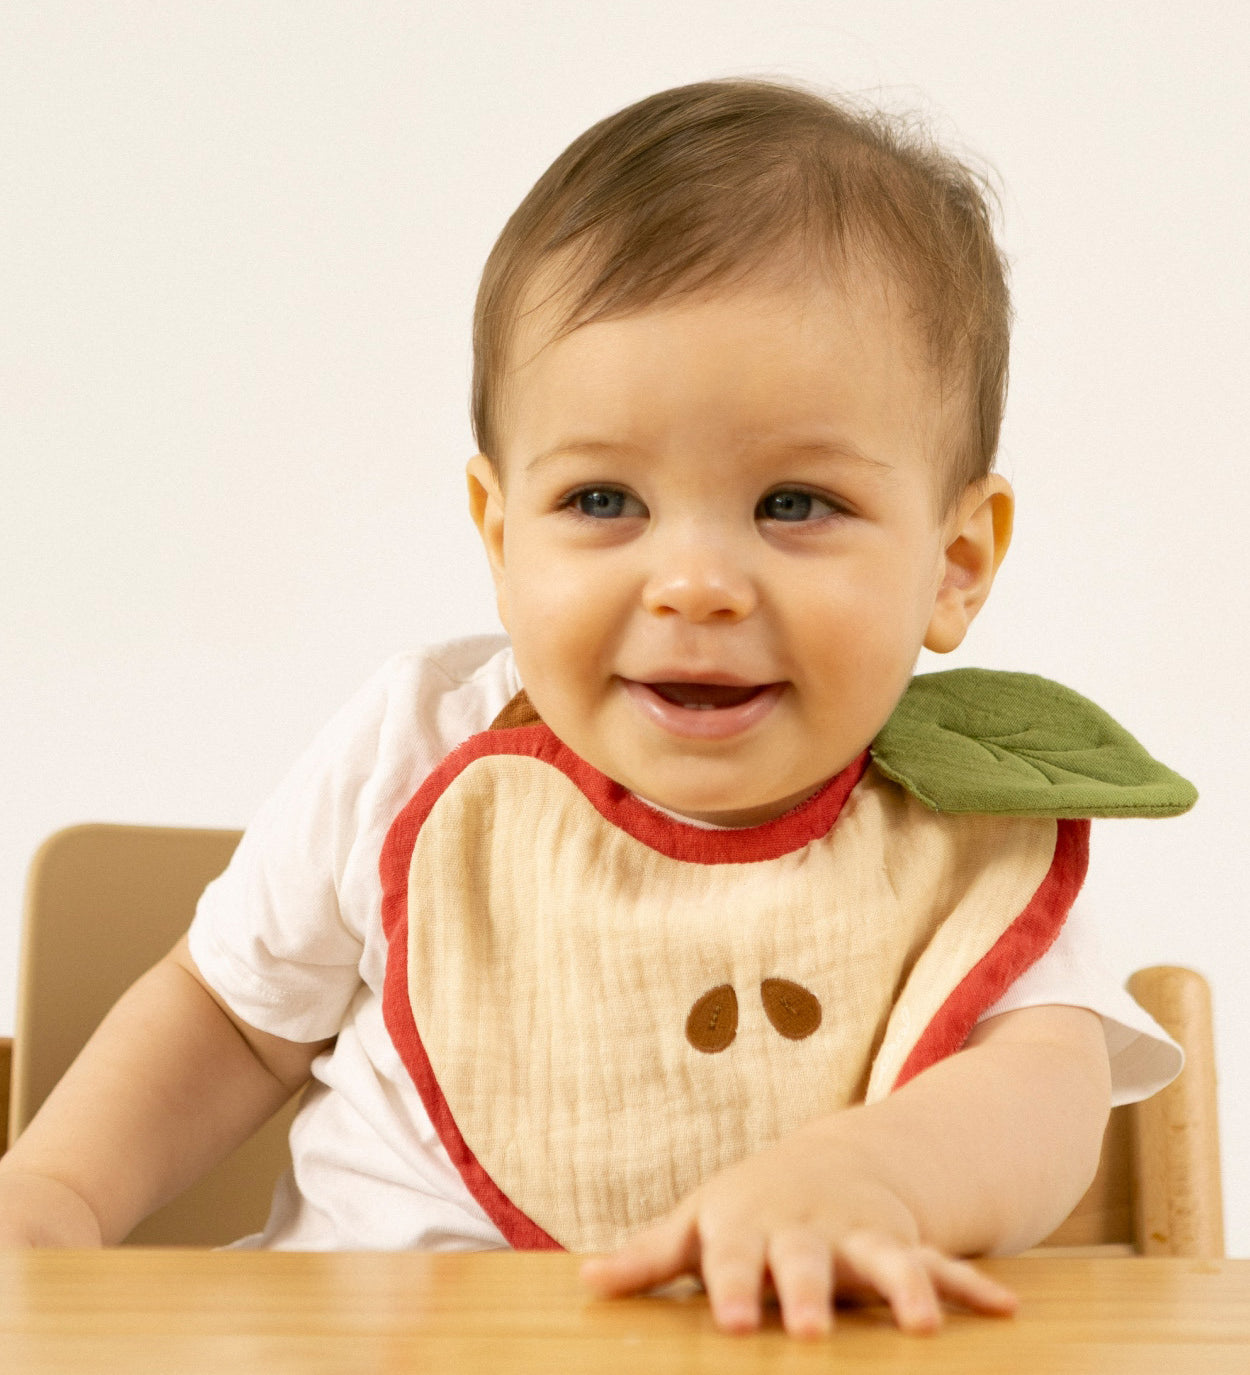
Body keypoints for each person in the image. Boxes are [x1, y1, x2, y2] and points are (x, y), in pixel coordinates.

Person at [0, 78, 1195, 1339]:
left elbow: (1044, 1087)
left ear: (953, 561)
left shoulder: (960, 827)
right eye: (601, 502)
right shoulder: (415, 749)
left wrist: (875, 1181)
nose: (691, 584)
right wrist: (55, 1192)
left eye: (793, 502)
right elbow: (233, 1023)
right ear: (499, 531)